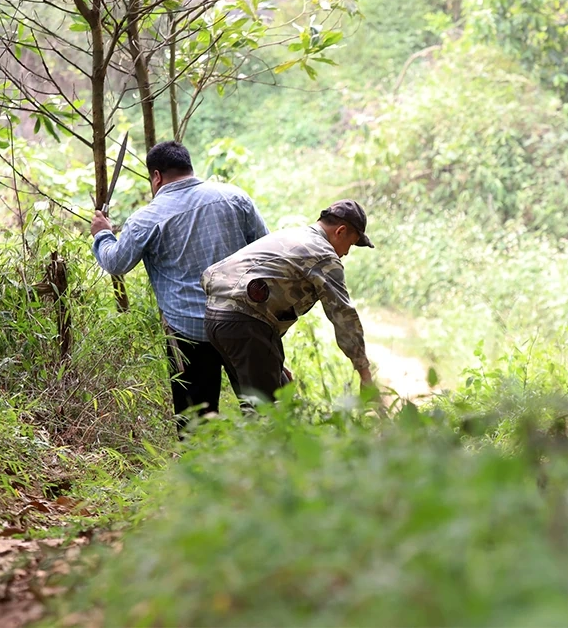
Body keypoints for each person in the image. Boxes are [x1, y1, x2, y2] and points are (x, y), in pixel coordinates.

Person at [91, 140, 268, 428]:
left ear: (156, 176)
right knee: (263, 411)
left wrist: (102, 234)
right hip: (243, 323)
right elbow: (265, 252)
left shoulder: (146, 219)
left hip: (188, 332)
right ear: (189, 167)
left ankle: (202, 455)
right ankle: (272, 453)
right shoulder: (235, 198)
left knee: (196, 425)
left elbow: (116, 263)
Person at [201, 200, 375, 405]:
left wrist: (272, 361)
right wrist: (365, 374)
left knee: (268, 400)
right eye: (350, 245)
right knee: (270, 411)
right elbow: (343, 315)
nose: (346, 253)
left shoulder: (291, 235)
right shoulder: (323, 255)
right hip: (246, 326)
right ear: (341, 231)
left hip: (216, 318)